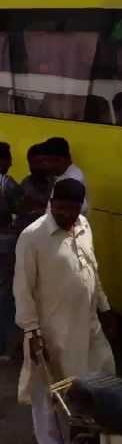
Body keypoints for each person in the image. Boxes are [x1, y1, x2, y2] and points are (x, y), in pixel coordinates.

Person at [13, 179, 114, 444]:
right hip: (50, 334)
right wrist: (32, 333)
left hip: (88, 326)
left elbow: (92, 271)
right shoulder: (32, 238)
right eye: (62, 207)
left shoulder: (83, 225)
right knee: (49, 399)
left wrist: (105, 308)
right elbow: (23, 290)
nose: (68, 214)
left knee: (99, 382)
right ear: (52, 202)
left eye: (73, 208)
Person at [0, 142, 23, 360]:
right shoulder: (7, 184)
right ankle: (6, 347)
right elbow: (20, 209)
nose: (11, 163)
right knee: (6, 294)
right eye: (8, 158)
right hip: (5, 243)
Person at [15, 143, 54, 236]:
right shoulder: (25, 184)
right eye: (33, 163)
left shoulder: (56, 183)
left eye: (40, 162)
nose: (36, 166)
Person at [42, 137, 88, 214]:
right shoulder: (58, 174)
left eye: (48, 161)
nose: (45, 164)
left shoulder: (73, 180)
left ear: (61, 160)